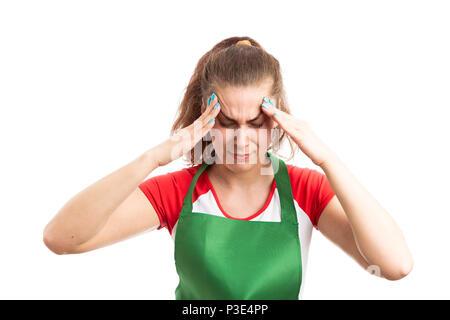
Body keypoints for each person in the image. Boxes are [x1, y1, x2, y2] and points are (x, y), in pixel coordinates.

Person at [43, 36, 413, 299]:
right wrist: (153, 158)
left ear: (278, 117)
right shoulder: (178, 192)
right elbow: (61, 239)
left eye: (256, 122)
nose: (241, 139)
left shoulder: (303, 190)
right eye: (226, 122)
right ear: (205, 117)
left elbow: (394, 266)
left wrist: (328, 160)